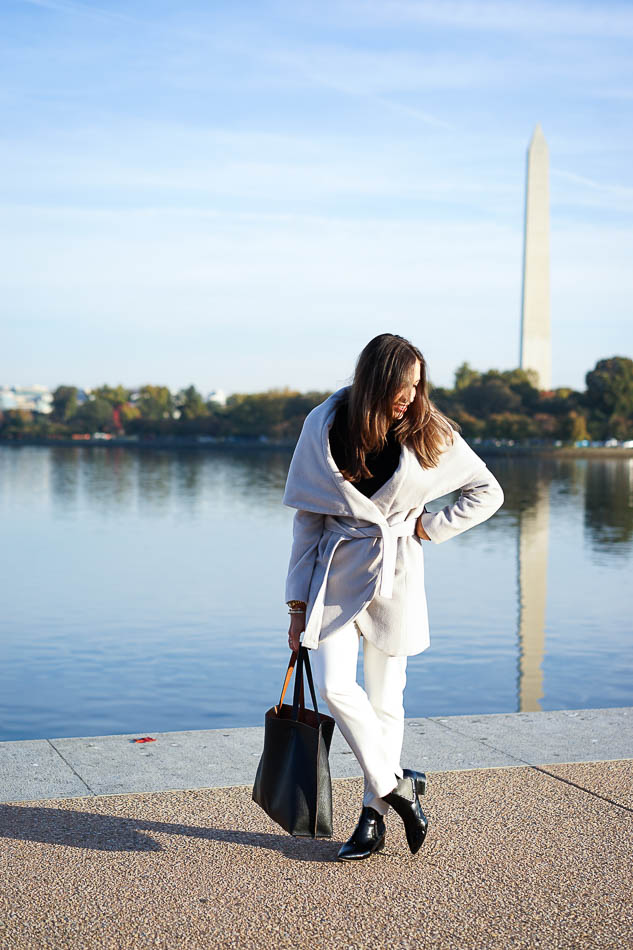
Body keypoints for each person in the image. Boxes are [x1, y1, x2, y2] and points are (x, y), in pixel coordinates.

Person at [282, 333, 504, 861]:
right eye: (402, 385)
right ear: (375, 379)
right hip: (334, 577)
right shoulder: (322, 427)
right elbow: (307, 524)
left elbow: (487, 491)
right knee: (337, 688)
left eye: (417, 385)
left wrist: (428, 527)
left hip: (397, 572)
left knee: (386, 700)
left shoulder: (430, 432)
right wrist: (295, 606)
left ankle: (373, 817)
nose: (410, 395)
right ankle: (398, 784)